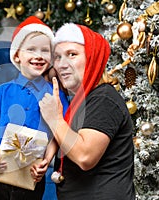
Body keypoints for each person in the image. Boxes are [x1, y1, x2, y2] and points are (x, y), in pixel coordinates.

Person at [38, 23, 135, 199]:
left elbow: (85, 156)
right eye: (58, 57)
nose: (62, 64)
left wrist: (54, 119)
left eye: (72, 55)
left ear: (92, 57)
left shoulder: (103, 99)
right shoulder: (78, 103)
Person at [0, 16, 69, 200]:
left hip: (32, 172)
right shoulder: (1, 92)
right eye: (31, 49)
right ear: (17, 55)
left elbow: (56, 134)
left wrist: (46, 160)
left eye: (45, 50)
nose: (38, 55)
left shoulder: (56, 95)